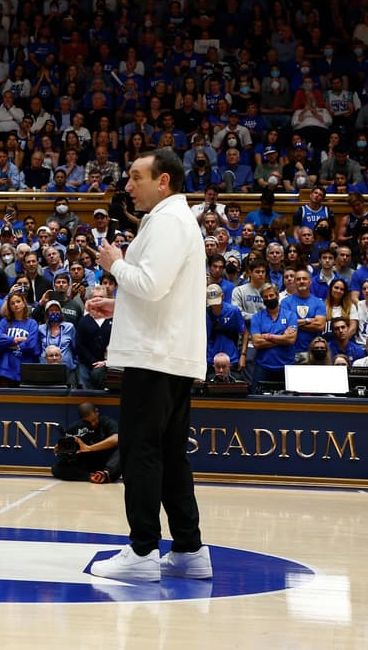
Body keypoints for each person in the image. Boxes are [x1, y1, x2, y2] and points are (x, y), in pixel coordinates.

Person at [88, 148, 212, 583]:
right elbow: (162, 295)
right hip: (171, 356)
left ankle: (142, 551)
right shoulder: (178, 221)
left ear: (163, 182)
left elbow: (152, 285)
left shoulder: (166, 221)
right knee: (172, 456)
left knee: (141, 453)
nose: (127, 186)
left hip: (152, 359)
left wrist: (114, 263)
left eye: (135, 177)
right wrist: (118, 303)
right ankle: (189, 549)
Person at [51, 402, 121, 484]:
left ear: (96, 412)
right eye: (88, 422)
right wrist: (60, 450)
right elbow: (67, 447)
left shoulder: (107, 422)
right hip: (86, 464)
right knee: (56, 469)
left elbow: (116, 439)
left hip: (105, 461)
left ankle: (105, 474)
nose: (93, 424)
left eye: (94, 420)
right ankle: (92, 476)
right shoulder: (75, 427)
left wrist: (89, 448)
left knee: (122, 448)